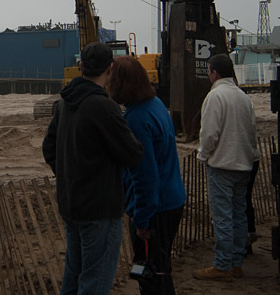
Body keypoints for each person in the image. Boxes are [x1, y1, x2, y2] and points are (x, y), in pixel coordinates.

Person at [42, 42, 144, 295]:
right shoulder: (103, 106)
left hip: (71, 204)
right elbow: (132, 154)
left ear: (80, 67)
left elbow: (49, 147)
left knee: (74, 277)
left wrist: (69, 174)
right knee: (95, 281)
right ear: (110, 68)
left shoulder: (65, 103)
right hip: (99, 209)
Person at [108, 56, 186, 295]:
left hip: (155, 209)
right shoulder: (157, 105)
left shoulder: (136, 119)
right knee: (161, 268)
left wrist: (142, 220)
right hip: (171, 200)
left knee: (152, 276)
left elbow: (145, 175)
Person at [193, 53, 259, 282]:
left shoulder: (215, 96)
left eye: (209, 71)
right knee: (239, 214)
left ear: (214, 73)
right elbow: (252, 130)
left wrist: (203, 156)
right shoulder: (243, 97)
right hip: (243, 164)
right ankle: (236, 263)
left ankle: (222, 265)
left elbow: (209, 133)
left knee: (222, 217)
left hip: (221, 165)